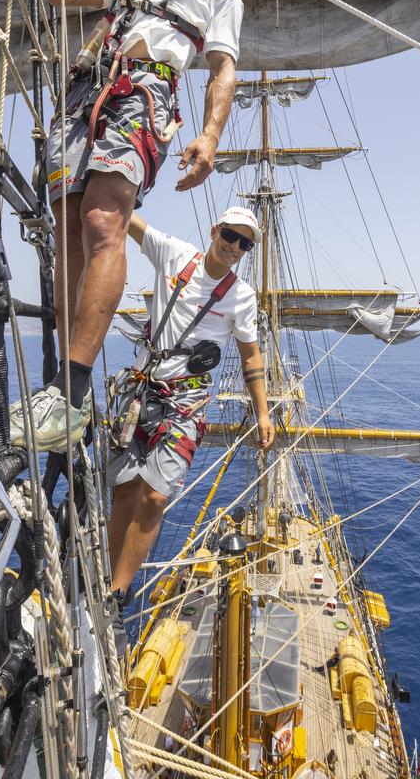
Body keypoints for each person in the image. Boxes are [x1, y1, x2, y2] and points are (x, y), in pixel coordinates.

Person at [0, 0, 244, 450]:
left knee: (104, 216)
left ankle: (70, 391)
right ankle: (63, 397)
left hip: (146, 92)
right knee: (71, 227)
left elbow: (223, 68)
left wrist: (210, 133)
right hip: (85, 86)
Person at [106, 206, 274, 603]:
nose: (235, 247)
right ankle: (107, 579)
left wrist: (263, 412)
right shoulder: (176, 254)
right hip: (142, 389)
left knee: (156, 495)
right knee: (124, 490)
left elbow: (251, 357)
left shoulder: (241, 297)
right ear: (215, 229)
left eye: (244, 243)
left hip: (186, 400)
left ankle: (118, 590)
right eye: (230, 236)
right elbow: (128, 218)